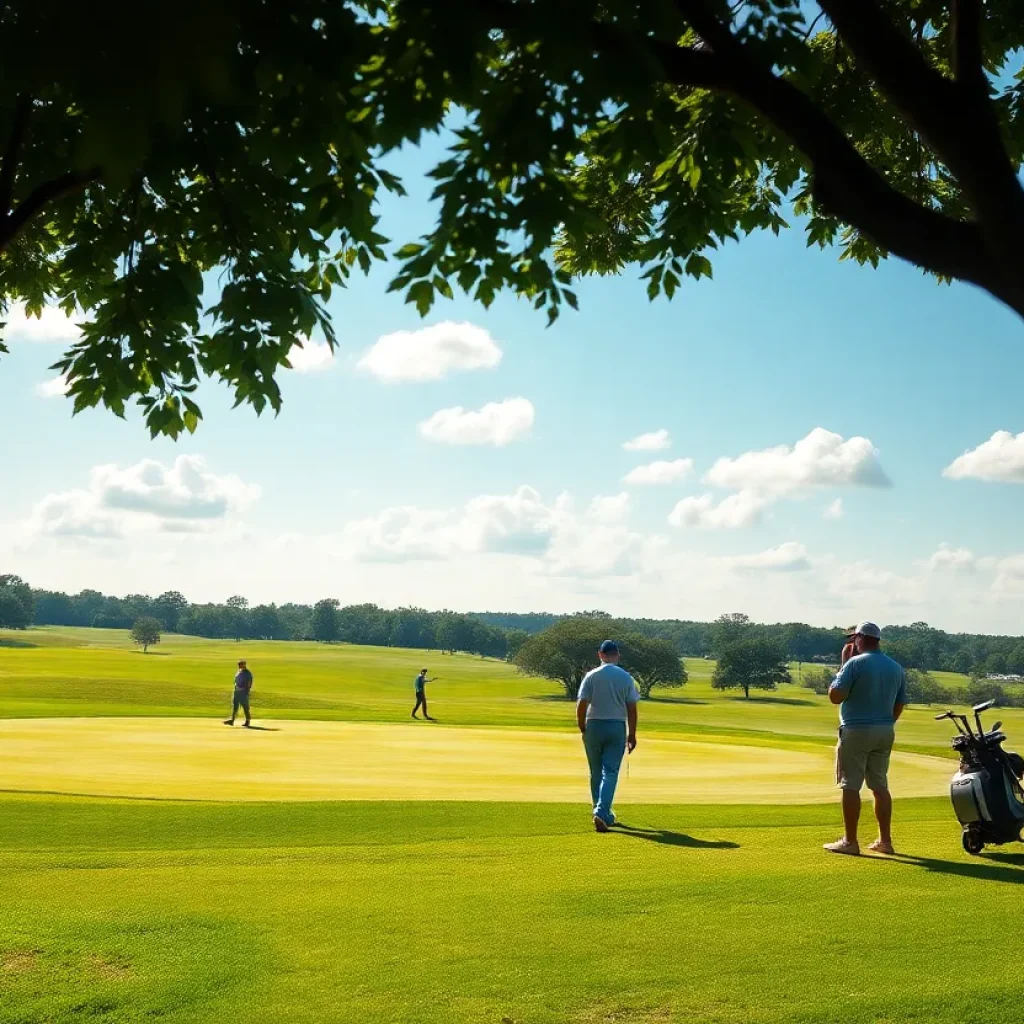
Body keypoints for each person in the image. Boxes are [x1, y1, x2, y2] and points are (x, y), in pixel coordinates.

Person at [824, 621, 908, 856]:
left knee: (850, 785)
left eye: (853, 639)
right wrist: (885, 721)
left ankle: (850, 842)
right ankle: (885, 841)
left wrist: (843, 666)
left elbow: (835, 696)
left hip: (856, 730)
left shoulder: (854, 664)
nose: (852, 643)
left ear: (860, 638)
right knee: (880, 786)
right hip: (885, 731)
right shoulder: (895, 667)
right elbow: (899, 704)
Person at [576, 640, 640, 833]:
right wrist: (632, 734)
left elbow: (581, 705)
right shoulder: (626, 678)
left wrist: (582, 727)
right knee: (610, 772)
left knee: (595, 772)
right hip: (616, 726)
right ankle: (602, 813)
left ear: (600, 655)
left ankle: (600, 812)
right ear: (617, 655)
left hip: (594, 725)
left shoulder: (591, 676)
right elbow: (632, 709)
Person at [224, 659, 253, 727]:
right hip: (236, 692)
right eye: (239, 664)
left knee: (245, 707)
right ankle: (232, 720)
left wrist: (246, 691)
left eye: (240, 664)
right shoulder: (239, 672)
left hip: (243, 693)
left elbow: (249, 683)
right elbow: (235, 681)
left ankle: (247, 721)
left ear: (244, 665)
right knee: (235, 707)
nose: (239, 665)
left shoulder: (247, 673)